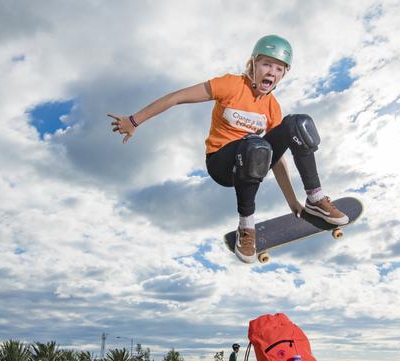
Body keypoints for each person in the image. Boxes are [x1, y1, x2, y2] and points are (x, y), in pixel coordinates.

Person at [109, 35, 348, 263]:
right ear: (253, 64)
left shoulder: (272, 107)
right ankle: (246, 227)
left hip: (253, 161)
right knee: (255, 145)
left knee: (297, 124)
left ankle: (315, 199)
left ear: (284, 74)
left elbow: (277, 159)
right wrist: (133, 120)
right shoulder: (231, 85)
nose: (271, 73)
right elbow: (177, 97)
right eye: (267, 64)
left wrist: (292, 201)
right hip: (221, 163)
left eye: (278, 69)